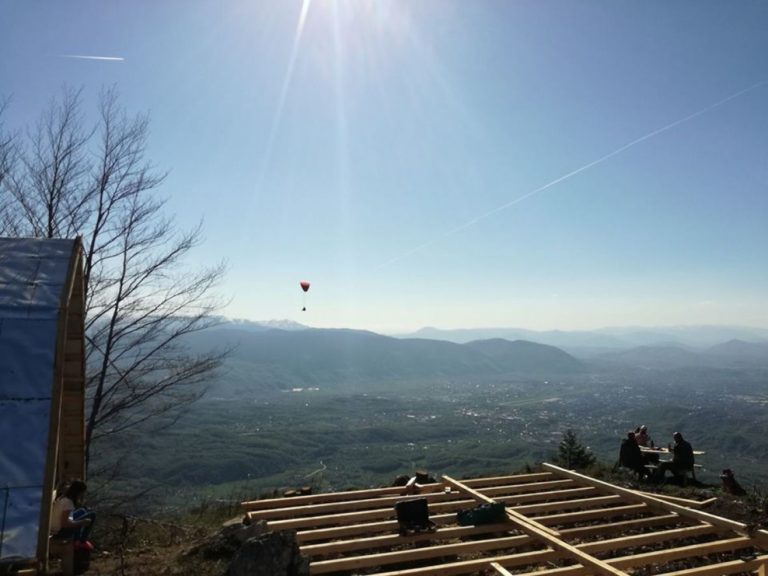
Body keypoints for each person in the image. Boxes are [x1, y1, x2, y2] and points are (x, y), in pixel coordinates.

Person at [50, 480, 96, 548]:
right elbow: (65, 523)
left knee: (82, 511)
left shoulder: (63, 497)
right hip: (60, 532)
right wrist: (81, 522)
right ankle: (82, 541)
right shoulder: (68, 503)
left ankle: (77, 539)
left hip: (56, 527)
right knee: (92, 515)